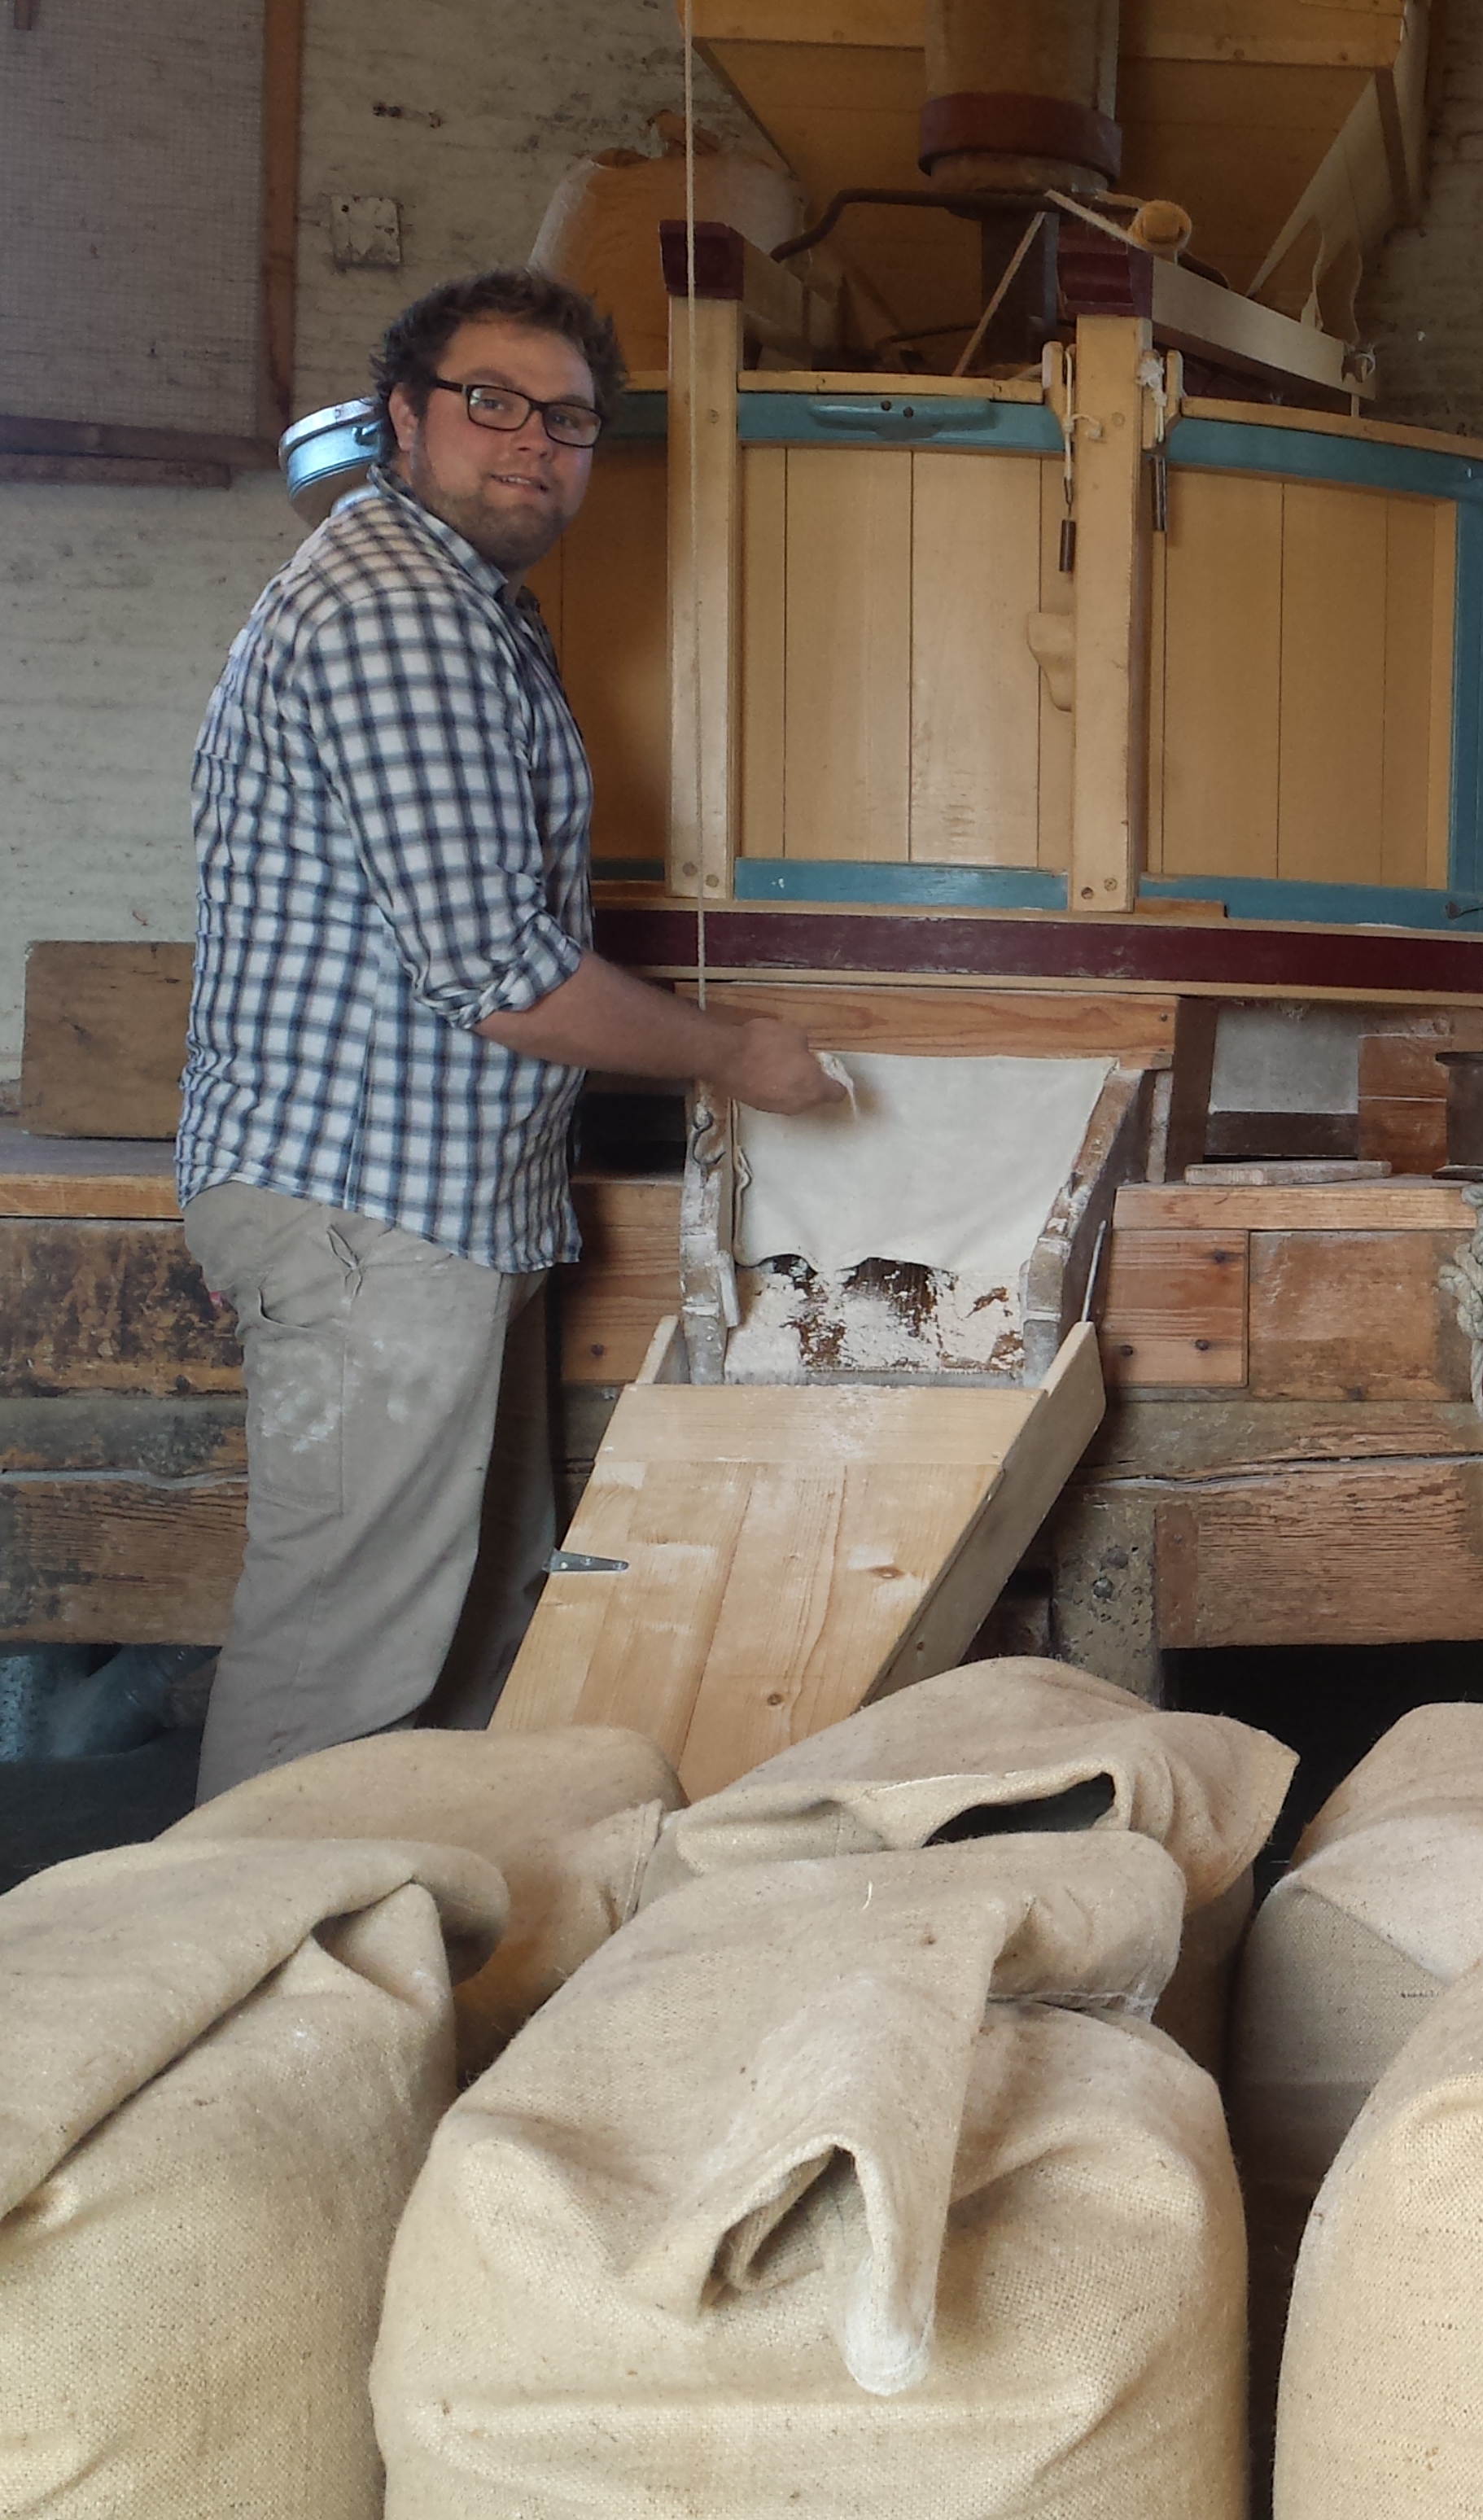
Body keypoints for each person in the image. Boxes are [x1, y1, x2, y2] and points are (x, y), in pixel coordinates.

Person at [177, 268, 844, 1800]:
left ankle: (421, 1926)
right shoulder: (400, 614)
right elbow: (499, 974)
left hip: (426, 1205)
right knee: (343, 1660)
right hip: (368, 1202)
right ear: (403, 419)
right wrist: (736, 1054)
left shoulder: (467, 608)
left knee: (472, 1624)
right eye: (492, 404)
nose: (534, 442)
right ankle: (246, 1940)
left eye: (569, 421)